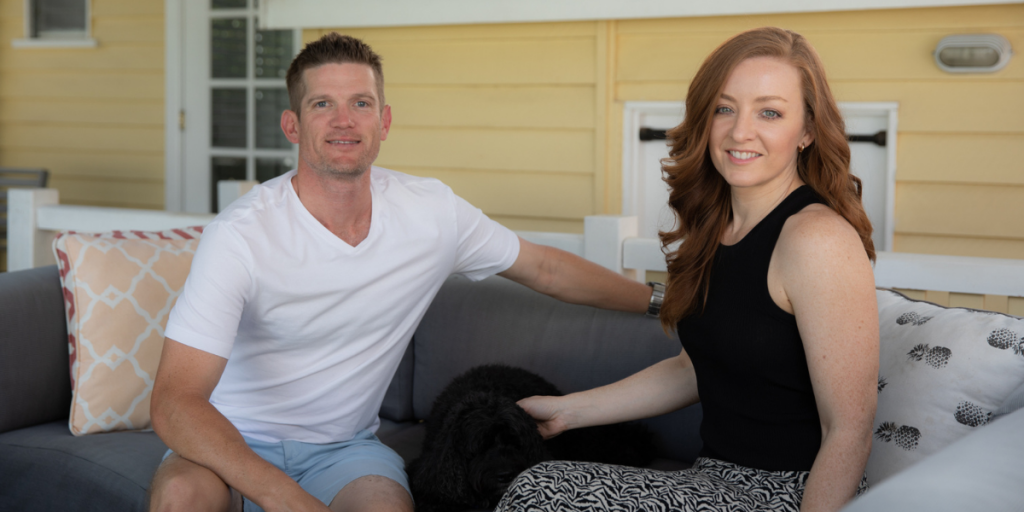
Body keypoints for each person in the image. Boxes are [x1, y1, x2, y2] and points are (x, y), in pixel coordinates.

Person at [147, 33, 655, 512]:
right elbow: (175, 402)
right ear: (292, 125)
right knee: (181, 498)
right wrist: (293, 501)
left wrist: (662, 302)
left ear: (384, 121)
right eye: (322, 104)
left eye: (360, 103)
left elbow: (546, 269)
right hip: (231, 442)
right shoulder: (240, 236)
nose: (344, 120)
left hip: (343, 450)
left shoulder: (431, 212)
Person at [496, 27, 879, 512]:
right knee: (531, 481)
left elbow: (849, 429)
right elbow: (696, 369)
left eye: (769, 112)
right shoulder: (715, 229)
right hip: (713, 479)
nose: (740, 131)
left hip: (789, 492)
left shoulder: (816, 239)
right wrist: (566, 412)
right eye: (724, 108)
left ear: (806, 131)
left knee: (542, 493)